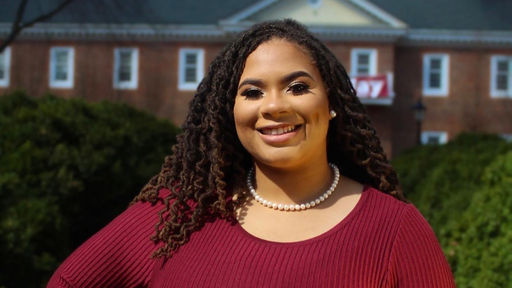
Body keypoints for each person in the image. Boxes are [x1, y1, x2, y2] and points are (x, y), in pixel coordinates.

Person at [47, 19, 456, 287]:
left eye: (297, 87)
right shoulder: (176, 217)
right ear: (231, 112)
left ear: (332, 103)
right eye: (252, 92)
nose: (273, 106)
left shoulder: (395, 230)